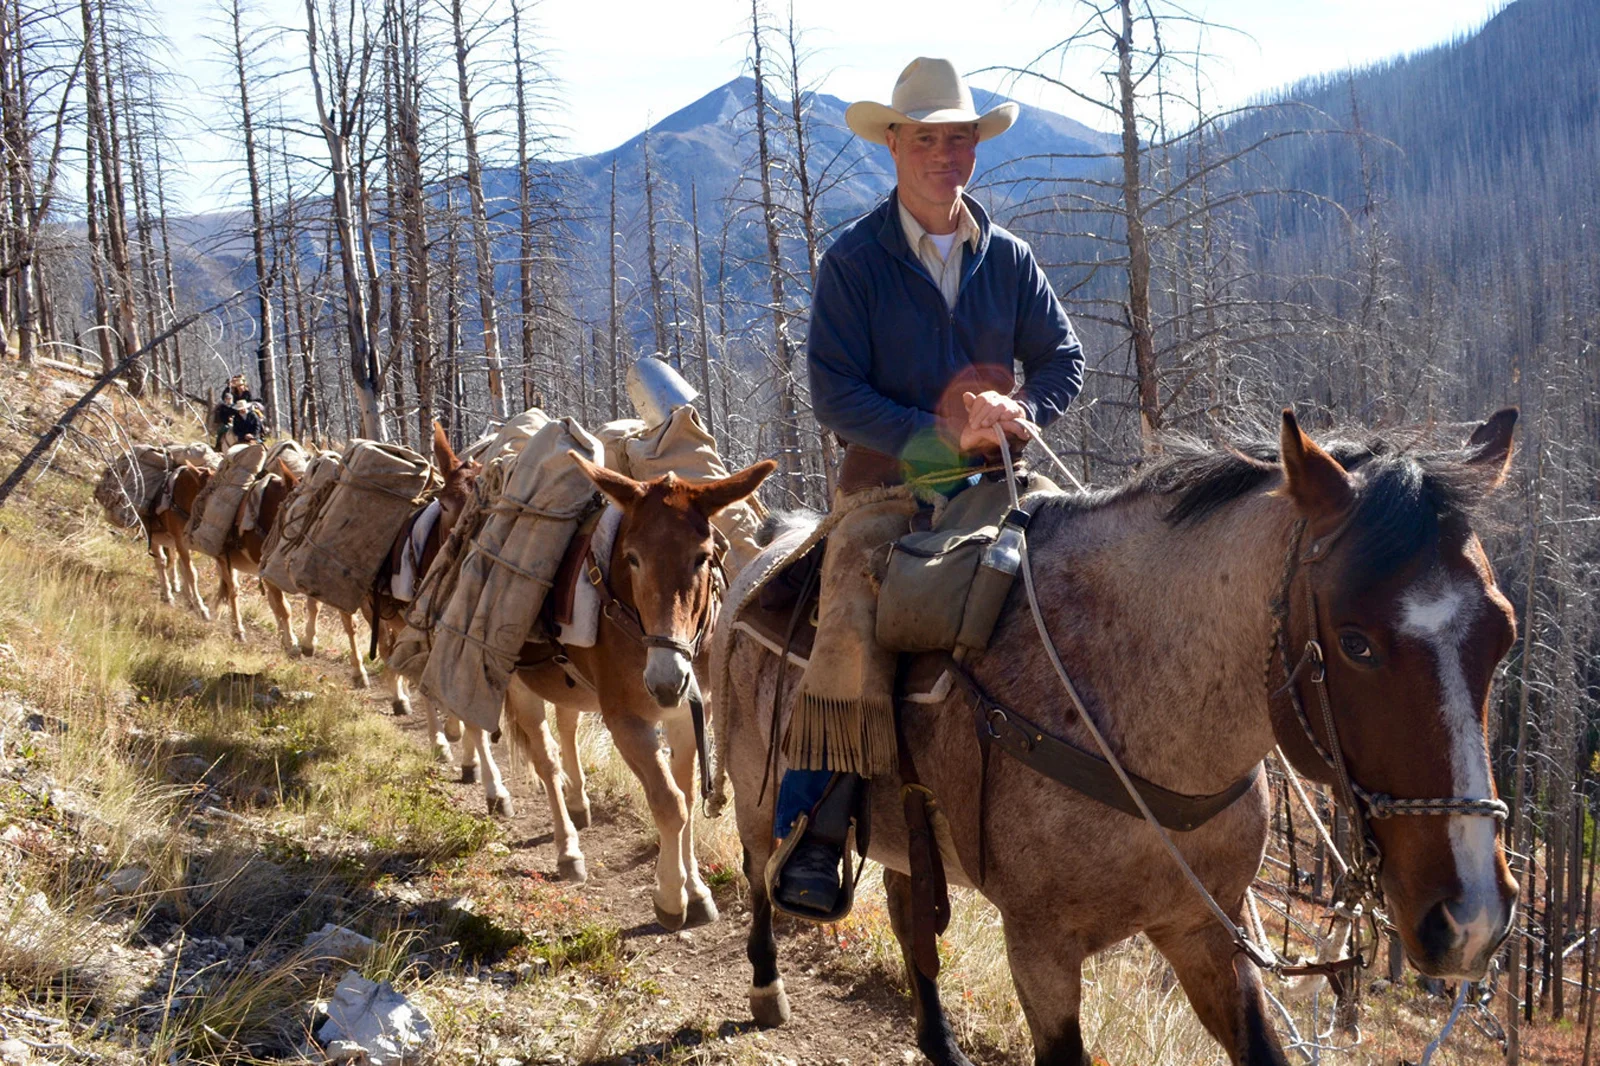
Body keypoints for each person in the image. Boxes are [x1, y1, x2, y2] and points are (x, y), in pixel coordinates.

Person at [771, 57, 1085, 918]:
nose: (945, 154)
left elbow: (1066, 360)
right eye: (926, 140)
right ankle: (817, 830)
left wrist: (1020, 410)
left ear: (975, 150)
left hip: (1006, 479)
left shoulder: (1008, 258)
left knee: (1096, 581)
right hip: (888, 492)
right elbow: (836, 393)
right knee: (851, 612)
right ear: (895, 147)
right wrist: (943, 435)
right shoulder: (855, 263)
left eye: (960, 139)